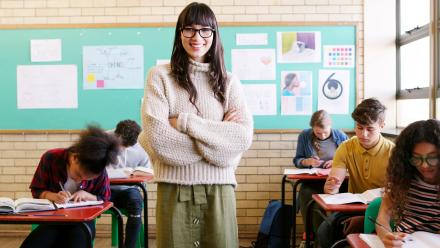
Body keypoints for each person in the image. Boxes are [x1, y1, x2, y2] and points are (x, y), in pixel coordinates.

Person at [138, 2, 253, 248]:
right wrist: (218, 142)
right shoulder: (160, 76)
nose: (197, 37)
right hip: (173, 188)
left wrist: (184, 122)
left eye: (205, 30)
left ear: (214, 34)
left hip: (220, 189)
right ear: (179, 33)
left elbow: (241, 138)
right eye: (189, 29)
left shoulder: (229, 82)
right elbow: (159, 140)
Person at [21, 126, 119, 248]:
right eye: (78, 174)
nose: (80, 180)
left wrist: (88, 195)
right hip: (54, 219)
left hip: (83, 222)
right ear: (74, 158)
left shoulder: (99, 168)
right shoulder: (51, 158)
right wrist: (53, 196)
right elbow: (37, 190)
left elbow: (105, 198)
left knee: (76, 240)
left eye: (86, 179)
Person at [316, 98, 395, 248]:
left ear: (382, 126)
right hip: (353, 209)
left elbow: (396, 194)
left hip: (383, 211)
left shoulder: (393, 152)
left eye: (370, 129)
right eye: (359, 127)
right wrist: (331, 187)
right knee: (324, 231)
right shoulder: (346, 147)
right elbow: (333, 186)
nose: (363, 134)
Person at [376, 119, 440, 248]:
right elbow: (383, 216)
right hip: (404, 242)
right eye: (416, 158)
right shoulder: (403, 177)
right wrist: (386, 236)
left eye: (432, 157)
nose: (424, 165)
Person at [293, 109, 348, 237]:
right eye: (318, 133)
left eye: (325, 132)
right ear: (312, 128)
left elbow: (350, 159)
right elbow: (297, 160)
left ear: (331, 127)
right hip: (314, 181)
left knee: (344, 195)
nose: (322, 136)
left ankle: (335, 233)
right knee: (306, 193)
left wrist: (336, 162)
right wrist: (306, 161)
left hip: (337, 181)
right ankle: (312, 234)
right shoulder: (304, 136)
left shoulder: (340, 136)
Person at [108, 119, 150, 248]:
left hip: (129, 190)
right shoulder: (103, 140)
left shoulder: (142, 145)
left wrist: (139, 173)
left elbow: (146, 170)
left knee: (136, 202)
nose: (124, 148)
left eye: (128, 146)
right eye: (122, 144)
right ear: (116, 134)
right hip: (106, 189)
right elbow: (95, 171)